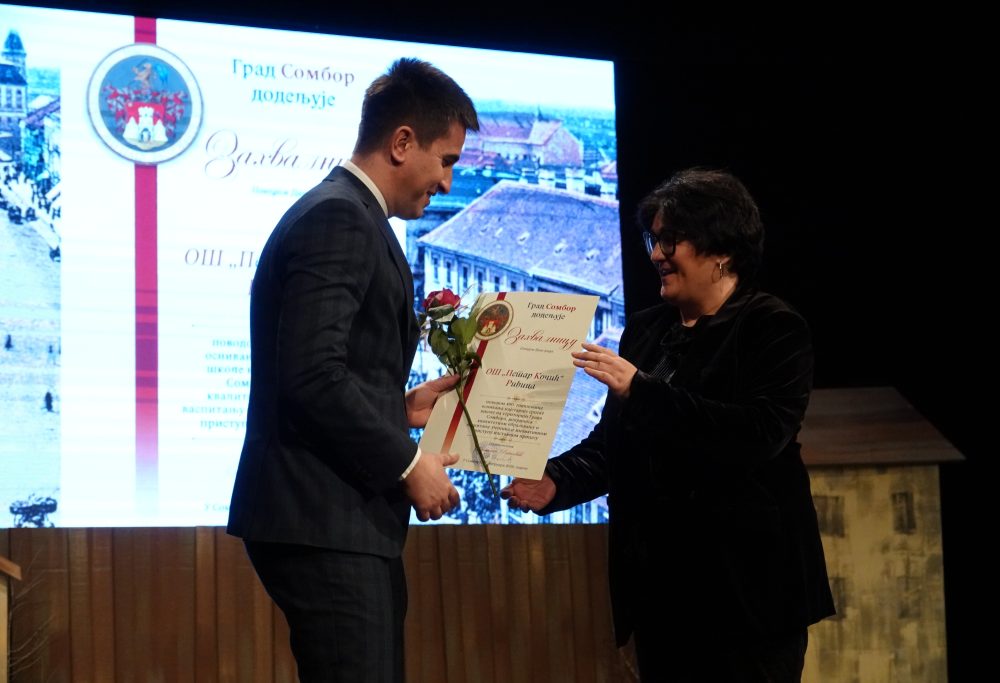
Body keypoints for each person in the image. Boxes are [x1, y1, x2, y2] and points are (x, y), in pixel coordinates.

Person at [502, 168, 835, 682]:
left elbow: (756, 434)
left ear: (721, 249)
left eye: (670, 240)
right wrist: (557, 480)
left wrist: (642, 390)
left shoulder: (772, 328)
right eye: (652, 240)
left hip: (747, 601)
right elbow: (613, 443)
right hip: (661, 598)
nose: (657, 254)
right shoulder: (647, 330)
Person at [227, 57, 479, 683]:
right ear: (402, 142)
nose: (447, 183)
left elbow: (322, 369)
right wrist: (408, 463)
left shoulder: (350, 214)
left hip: (336, 520)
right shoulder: (340, 216)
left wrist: (400, 408)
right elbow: (311, 375)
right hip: (325, 520)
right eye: (446, 160)